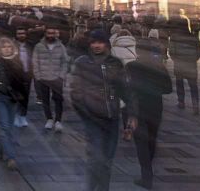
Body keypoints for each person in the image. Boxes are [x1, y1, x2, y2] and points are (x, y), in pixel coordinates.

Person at [71, 30, 137, 191]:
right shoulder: (82, 62)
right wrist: (85, 112)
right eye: (93, 42)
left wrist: (133, 114)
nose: (96, 45)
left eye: (99, 42)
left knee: (107, 160)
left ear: (106, 44)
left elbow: (125, 89)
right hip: (92, 118)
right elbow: (75, 92)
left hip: (111, 117)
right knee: (96, 158)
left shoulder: (115, 62)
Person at [126, 44, 173, 189]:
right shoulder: (160, 67)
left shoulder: (131, 66)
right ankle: (147, 173)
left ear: (137, 51)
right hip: (155, 107)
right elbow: (168, 89)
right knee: (151, 140)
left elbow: (127, 86)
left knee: (141, 143)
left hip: (137, 107)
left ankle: (146, 176)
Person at [0, 37, 26, 170]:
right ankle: (11, 157)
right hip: (0, 97)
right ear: (0, 49)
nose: (7, 49)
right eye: (4, 47)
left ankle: (3, 147)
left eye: (9, 47)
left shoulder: (17, 62)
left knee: (9, 127)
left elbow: (23, 82)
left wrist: (22, 99)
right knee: (5, 127)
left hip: (13, 99)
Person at [32, 25, 68, 132]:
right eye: (49, 33)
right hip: (43, 78)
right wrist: (38, 75)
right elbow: (35, 61)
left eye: (53, 33)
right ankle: (49, 119)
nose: (51, 35)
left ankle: (58, 121)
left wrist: (62, 75)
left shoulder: (60, 46)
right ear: (45, 34)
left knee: (58, 100)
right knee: (45, 100)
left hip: (57, 78)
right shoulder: (38, 46)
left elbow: (65, 62)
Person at [168, 17, 200, 115]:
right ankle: (195, 105)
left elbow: (171, 51)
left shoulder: (174, 37)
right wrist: (194, 58)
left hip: (179, 64)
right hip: (191, 64)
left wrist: (176, 59)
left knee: (180, 84)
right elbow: (199, 49)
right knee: (193, 86)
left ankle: (181, 102)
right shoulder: (193, 36)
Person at [14, 27, 33, 127]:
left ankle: (23, 116)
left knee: (25, 96)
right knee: (16, 96)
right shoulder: (12, 45)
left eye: (23, 33)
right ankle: (16, 116)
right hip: (16, 75)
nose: (21, 35)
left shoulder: (30, 45)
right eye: (19, 33)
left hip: (27, 74)